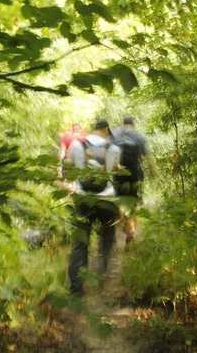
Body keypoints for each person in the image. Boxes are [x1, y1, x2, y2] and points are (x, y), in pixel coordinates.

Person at [64, 119, 121, 296]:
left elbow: (67, 171)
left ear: (91, 130)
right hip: (107, 200)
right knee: (107, 238)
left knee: (80, 244)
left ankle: (76, 287)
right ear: (105, 130)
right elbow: (114, 176)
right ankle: (101, 276)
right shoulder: (114, 148)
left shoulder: (75, 144)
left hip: (83, 200)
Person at [111, 115, 152, 246]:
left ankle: (120, 218)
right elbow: (146, 157)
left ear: (123, 124)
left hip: (118, 173)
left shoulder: (115, 134)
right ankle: (130, 229)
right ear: (132, 125)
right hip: (134, 174)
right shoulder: (139, 137)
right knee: (133, 200)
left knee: (118, 198)